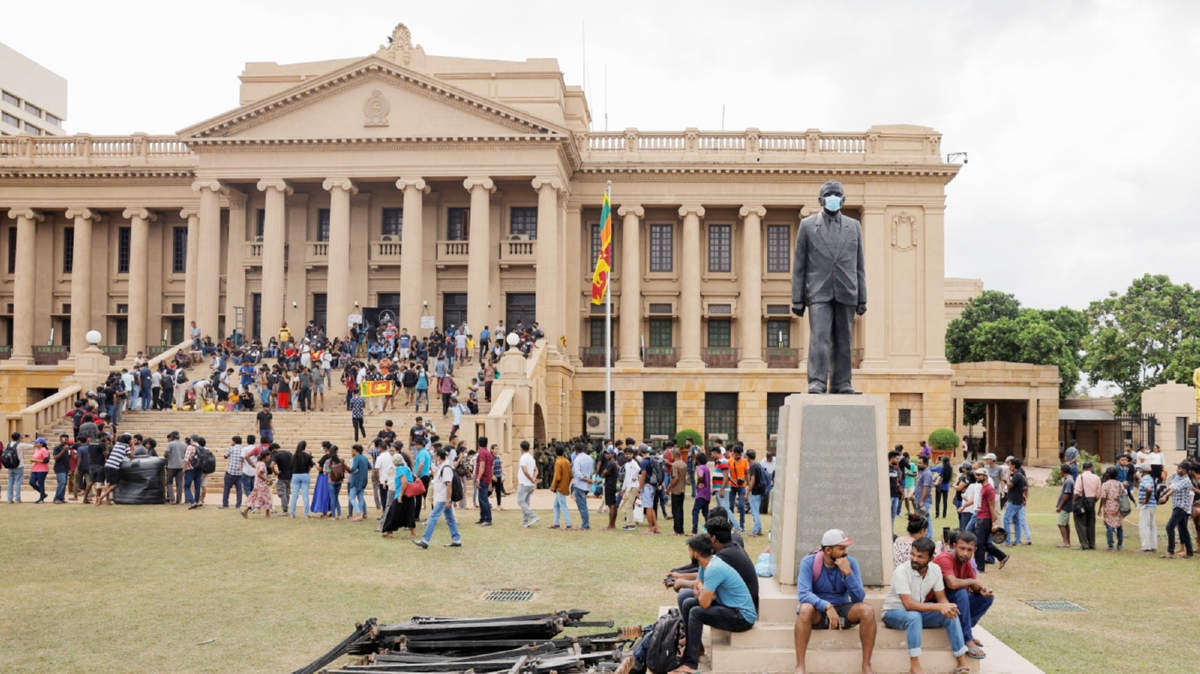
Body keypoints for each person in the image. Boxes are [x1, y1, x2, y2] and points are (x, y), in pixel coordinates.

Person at [791, 179, 866, 394]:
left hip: (847, 290)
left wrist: (863, 297)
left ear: (843, 200)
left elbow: (860, 264)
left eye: (836, 195)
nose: (833, 198)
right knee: (819, 337)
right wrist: (797, 298)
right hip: (818, 291)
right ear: (820, 200)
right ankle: (817, 381)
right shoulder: (807, 226)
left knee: (844, 339)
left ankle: (842, 383)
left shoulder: (854, 226)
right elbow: (799, 265)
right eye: (829, 195)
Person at [880, 537, 971, 674]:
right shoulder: (901, 571)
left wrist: (947, 607)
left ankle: (962, 662)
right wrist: (939, 607)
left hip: (917, 612)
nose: (914, 559)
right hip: (893, 613)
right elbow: (908, 604)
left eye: (920, 557)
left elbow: (941, 598)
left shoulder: (935, 570)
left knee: (951, 614)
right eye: (913, 554)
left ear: (931, 558)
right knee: (914, 616)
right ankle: (915, 666)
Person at [793, 529, 876, 674]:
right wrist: (826, 606)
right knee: (805, 608)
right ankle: (800, 666)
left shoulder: (850, 563)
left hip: (843, 610)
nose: (846, 552)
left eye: (846, 548)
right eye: (841, 548)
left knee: (867, 610)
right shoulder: (809, 562)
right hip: (819, 612)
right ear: (828, 550)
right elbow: (803, 593)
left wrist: (848, 574)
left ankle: (866, 666)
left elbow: (858, 598)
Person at [672, 534, 757, 674]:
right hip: (728, 607)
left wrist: (703, 592)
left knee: (696, 612)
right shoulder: (704, 564)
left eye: (690, 550)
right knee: (688, 604)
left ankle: (690, 664)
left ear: (696, 553)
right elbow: (697, 590)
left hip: (742, 617)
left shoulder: (714, 568)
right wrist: (703, 591)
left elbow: (704, 604)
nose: (689, 552)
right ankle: (695, 649)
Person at [932, 530, 992, 660]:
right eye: (962, 548)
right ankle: (967, 638)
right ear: (954, 546)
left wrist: (982, 589)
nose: (965, 553)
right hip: (936, 603)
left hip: (954, 603)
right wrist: (973, 582)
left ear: (975, 549)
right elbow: (952, 583)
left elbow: (974, 585)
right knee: (960, 592)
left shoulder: (966, 562)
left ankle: (965, 631)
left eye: (969, 550)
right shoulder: (945, 558)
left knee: (986, 598)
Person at [413, 446, 462, 548]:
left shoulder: (446, 468)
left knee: (433, 517)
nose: (434, 457)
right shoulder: (443, 466)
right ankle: (456, 539)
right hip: (441, 497)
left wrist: (448, 500)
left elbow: (449, 484)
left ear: (439, 456)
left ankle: (425, 540)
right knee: (450, 519)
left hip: (442, 498)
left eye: (435, 455)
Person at [971, 467, 1008, 572]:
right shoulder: (983, 488)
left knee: (979, 544)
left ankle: (980, 568)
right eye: (976, 475)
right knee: (984, 543)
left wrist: (993, 523)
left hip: (985, 519)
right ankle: (1002, 556)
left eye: (979, 475)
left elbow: (992, 507)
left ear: (985, 476)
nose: (977, 477)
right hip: (981, 517)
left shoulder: (989, 489)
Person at [1160, 462, 1195, 558]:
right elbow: (1171, 486)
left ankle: (1170, 551)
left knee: (1169, 527)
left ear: (1185, 470)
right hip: (1178, 506)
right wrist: (1163, 493)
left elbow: (1174, 489)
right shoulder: (1177, 477)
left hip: (1181, 507)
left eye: (1180, 468)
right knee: (1184, 529)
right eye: (1178, 468)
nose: (1178, 470)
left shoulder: (1186, 480)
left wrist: (1165, 496)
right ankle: (1190, 553)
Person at [381, 452, 418, 539]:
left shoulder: (400, 469)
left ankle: (390, 531)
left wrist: (400, 495)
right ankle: (411, 532)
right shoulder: (406, 468)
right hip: (408, 494)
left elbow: (404, 482)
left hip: (402, 494)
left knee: (393, 513)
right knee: (408, 513)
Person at [95, 434, 132, 506]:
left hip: (107, 465)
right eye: (130, 440)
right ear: (128, 440)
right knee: (115, 484)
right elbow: (130, 456)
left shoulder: (117, 444)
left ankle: (107, 501)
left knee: (108, 483)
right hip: (114, 466)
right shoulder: (126, 446)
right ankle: (101, 497)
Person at [1073, 461, 1101, 551]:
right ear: (1091, 468)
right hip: (1092, 500)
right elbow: (1098, 494)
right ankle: (1092, 543)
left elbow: (1077, 491)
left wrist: (1074, 501)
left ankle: (1084, 544)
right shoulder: (1097, 478)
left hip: (1081, 500)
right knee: (1091, 522)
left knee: (1080, 522)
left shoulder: (1080, 477)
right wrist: (1093, 501)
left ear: (1083, 468)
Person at [1003, 458, 1031, 546]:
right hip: (1018, 501)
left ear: (1014, 466)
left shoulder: (1017, 475)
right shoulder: (1020, 475)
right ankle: (1017, 541)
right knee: (1017, 521)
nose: (1009, 467)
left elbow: (1010, 485)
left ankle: (1008, 541)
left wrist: (1006, 478)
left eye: (1010, 465)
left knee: (1006, 520)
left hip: (1014, 501)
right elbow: (1024, 487)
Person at [1097, 466, 1126, 551]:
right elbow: (1125, 493)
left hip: (1109, 506)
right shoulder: (1119, 484)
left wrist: (1099, 509)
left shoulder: (1105, 484)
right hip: (1118, 506)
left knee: (1109, 525)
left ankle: (1110, 545)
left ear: (1108, 474)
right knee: (1119, 525)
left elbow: (1103, 497)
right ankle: (1120, 544)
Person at [240, 449, 274, 519]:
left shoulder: (258, 463)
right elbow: (259, 474)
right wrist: (267, 480)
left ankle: (245, 511)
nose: (270, 457)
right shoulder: (262, 464)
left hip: (257, 484)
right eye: (269, 456)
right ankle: (267, 514)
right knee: (267, 498)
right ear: (266, 456)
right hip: (261, 485)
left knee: (254, 498)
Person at [570, 442, 594, 530]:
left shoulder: (577, 459)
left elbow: (577, 473)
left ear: (576, 450)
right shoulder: (590, 458)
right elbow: (591, 471)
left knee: (582, 506)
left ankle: (585, 524)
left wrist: (585, 479)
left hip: (580, 484)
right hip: (587, 485)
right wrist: (588, 479)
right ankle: (585, 523)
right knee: (583, 504)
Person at [516, 440, 539, 527]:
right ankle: (525, 521)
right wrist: (534, 478)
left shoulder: (523, 457)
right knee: (526, 502)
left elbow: (525, 471)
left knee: (520, 501)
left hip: (524, 483)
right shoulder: (531, 458)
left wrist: (531, 479)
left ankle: (533, 516)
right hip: (530, 484)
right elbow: (536, 470)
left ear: (521, 448)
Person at [550, 444, 573, 530]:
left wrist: (553, 486)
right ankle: (556, 523)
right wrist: (567, 483)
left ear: (555, 452)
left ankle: (568, 524)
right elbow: (571, 475)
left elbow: (557, 477)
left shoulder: (558, 462)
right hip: (564, 486)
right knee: (556, 505)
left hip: (559, 487)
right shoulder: (567, 461)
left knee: (563, 505)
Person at [1135, 464, 1157, 552]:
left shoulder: (1146, 479)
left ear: (1143, 470)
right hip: (1152, 505)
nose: (1138, 470)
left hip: (1147, 506)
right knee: (1151, 526)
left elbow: (1149, 489)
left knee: (1144, 526)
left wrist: (1146, 500)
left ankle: (1146, 547)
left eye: (1139, 468)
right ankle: (1152, 546)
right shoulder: (1149, 478)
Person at [347, 444, 371, 522]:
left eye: (352, 450)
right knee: (360, 498)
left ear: (355, 450)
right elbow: (369, 467)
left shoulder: (356, 457)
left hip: (356, 480)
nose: (351, 452)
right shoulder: (365, 458)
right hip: (364, 480)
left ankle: (358, 513)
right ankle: (360, 514)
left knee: (351, 498)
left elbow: (353, 469)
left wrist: (347, 468)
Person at [1054, 463, 1076, 548]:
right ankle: (1068, 541)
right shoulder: (1069, 479)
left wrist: (1060, 506)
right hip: (1067, 505)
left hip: (1065, 506)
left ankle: (1065, 542)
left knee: (1061, 523)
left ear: (1062, 471)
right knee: (1065, 524)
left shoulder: (1068, 481)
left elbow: (1067, 494)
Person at [290, 441, 313, 518]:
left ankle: (292, 513)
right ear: (305, 447)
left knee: (294, 495)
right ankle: (306, 514)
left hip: (295, 475)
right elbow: (311, 466)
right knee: (305, 495)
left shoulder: (294, 456)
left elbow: (291, 466)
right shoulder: (307, 456)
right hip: (305, 475)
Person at [474, 437, 494, 526]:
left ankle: (487, 519)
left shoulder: (482, 453)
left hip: (482, 478)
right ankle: (483, 518)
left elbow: (482, 466)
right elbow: (491, 468)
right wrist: (490, 480)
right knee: (482, 499)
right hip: (486, 478)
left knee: (483, 499)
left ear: (478, 443)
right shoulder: (489, 453)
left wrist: (478, 478)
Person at [600, 447, 621, 529]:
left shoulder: (611, 463)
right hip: (612, 485)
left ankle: (611, 525)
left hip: (610, 485)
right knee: (613, 505)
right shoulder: (613, 463)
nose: (606, 455)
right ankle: (612, 524)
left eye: (608, 453)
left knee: (611, 505)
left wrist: (603, 473)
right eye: (606, 453)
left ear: (612, 454)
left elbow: (604, 473)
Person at [163, 431, 187, 505]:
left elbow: (166, 454)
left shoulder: (170, 444)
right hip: (181, 466)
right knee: (179, 483)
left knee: (169, 482)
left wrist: (167, 457)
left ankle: (172, 499)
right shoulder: (184, 444)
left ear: (172, 437)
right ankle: (179, 500)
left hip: (171, 466)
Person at [222, 437, 246, 509]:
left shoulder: (231, 448)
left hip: (230, 472)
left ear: (234, 441)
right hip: (239, 473)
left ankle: (225, 504)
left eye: (232, 441)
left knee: (227, 489)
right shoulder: (243, 449)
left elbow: (225, 456)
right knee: (239, 490)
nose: (231, 442)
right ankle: (238, 505)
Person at [692, 451, 712, 535]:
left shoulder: (700, 468)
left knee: (695, 511)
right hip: (707, 493)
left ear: (698, 460)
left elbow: (700, 476)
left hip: (701, 493)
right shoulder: (706, 468)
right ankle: (710, 530)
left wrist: (699, 482)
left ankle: (694, 531)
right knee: (705, 513)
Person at [669, 448, 688, 535]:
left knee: (675, 510)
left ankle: (677, 530)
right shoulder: (684, 464)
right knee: (680, 510)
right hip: (682, 489)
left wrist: (669, 488)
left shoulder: (675, 465)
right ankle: (681, 529)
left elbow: (675, 477)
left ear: (674, 455)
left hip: (676, 490)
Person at [28, 438, 50, 503]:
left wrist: (35, 460)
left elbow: (46, 460)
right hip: (35, 469)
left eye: (37, 443)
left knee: (41, 483)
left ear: (41, 444)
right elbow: (35, 458)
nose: (35, 444)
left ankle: (41, 499)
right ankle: (43, 494)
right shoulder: (36, 449)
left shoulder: (44, 450)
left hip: (42, 470)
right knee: (31, 482)